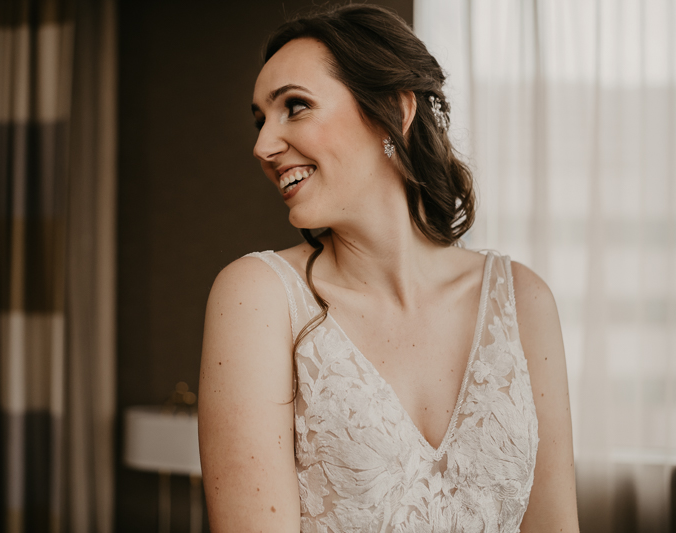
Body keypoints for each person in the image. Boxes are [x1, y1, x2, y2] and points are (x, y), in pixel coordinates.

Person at [198, 4, 579, 532]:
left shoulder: (522, 301)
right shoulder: (257, 297)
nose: (263, 147)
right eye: (261, 120)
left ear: (393, 112)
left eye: (296, 106)